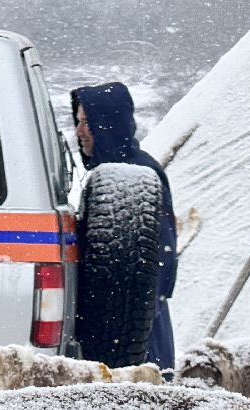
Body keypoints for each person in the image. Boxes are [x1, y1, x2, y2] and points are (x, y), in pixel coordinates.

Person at [71, 81, 177, 369]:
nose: (79, 132)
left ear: (107, 125)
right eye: (78, 122)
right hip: (116, 326)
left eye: (87, 122)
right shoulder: (107, 174)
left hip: (134, 333)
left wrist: (131, 330)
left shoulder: (138, 175)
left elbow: (160, 264)